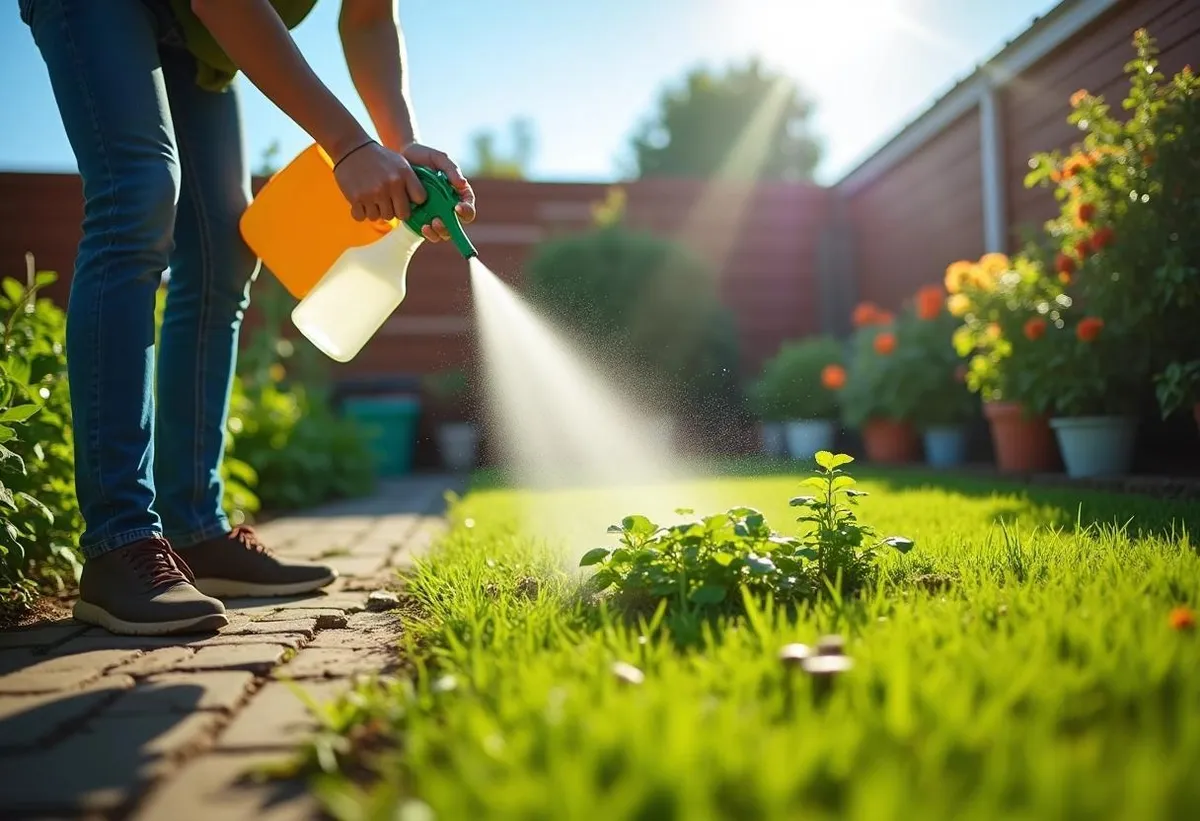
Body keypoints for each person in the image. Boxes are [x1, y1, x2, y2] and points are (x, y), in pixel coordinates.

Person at [19, 0, 476, 636]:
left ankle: (196, 532)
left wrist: (400, 147)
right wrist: (348, 145)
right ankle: (118, 542)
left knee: (224, 250)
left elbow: (369, 17)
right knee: (139, 197)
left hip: (196, 39)